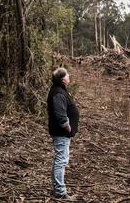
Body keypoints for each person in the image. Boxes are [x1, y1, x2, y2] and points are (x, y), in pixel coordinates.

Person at [47, 67, 80, 200]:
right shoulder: (58, 93)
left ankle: (57, 188)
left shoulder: (59, 91)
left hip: (62, 132)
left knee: (60, 160)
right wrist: (67, 127)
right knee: (61, 160)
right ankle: (60, 192)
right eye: (67, 75)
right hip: (61, 132)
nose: (69, 76)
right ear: (62, 79)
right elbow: (60, 114)